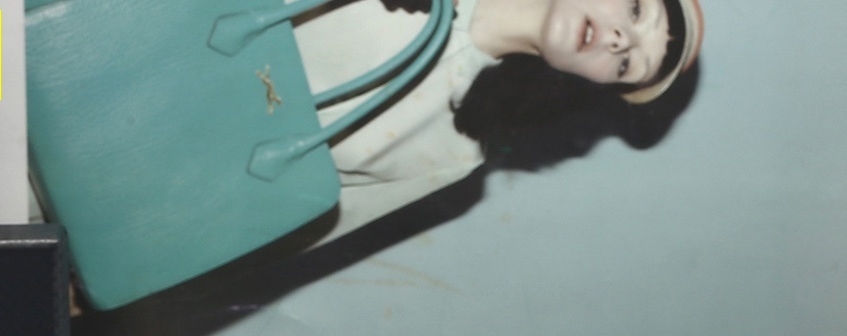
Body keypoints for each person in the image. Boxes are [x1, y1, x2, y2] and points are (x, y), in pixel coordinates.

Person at [294, 0, 703, 243]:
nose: (620, 39)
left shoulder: (454, 153)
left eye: (627, 65)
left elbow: (279, 227)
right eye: (636, 8)